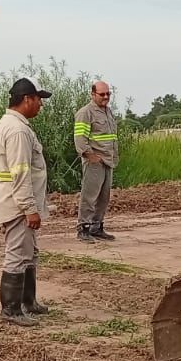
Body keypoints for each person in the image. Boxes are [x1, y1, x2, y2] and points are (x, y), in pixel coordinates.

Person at [0, 77, 51, 325]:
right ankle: (11, 310)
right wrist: (29, 209)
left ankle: (28, 302)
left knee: (29, 253)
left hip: (16, 203)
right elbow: (21, 172)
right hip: (16, 205)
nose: (40, 105)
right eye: (39, 100)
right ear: (27, 99)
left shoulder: (14, 125)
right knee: (17, 254)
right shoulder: (16, 130)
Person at [73, 80, 118, 242]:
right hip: (94, 161)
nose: (106, 97)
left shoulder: (108, 112)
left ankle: (96, 227)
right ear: (93, 94)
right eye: (102, 94)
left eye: (108, 94)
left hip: (108, 160)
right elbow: (80, 138)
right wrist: (90, 156)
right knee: (89, 196)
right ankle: (83, 228)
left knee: (103, 197)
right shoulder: (86, 113)